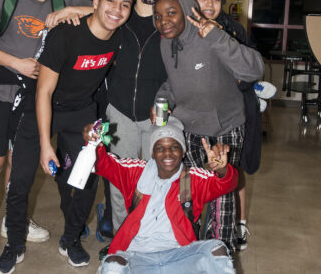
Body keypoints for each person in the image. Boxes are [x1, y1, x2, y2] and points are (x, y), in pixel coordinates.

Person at [0, 0, 92, 270]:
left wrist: (67, 12)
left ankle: (12, 221)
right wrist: (16, 63)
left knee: (20, 162)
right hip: (0, 88)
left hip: (35, 96)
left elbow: (105, 11)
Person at [152, 0, 264, 252]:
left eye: (171, 13)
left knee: (222, 198)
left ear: (187, 10)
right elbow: (175, 80)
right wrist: (162, 97)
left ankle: (220, 255)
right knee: (188, 194)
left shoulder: (212, 35)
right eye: (158, 16)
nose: (163, 21)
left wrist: (216, 37)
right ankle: (187, 249)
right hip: (189, 128)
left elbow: (255, 69)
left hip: (225, 126)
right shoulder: (164, 43)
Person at [36, 0, 134, 267]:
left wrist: (71, 9)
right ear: (95, 3)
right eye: (110, 0)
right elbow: (43, 92)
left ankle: (70, 237)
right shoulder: (65, 34)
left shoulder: (119, 36)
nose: (117, 9)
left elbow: (118, 15)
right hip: (44, 107)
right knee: (23, 174)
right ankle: (14, 237)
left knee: (86, 178)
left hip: (81, 112)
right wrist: (44, 143)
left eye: (124, 4)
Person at [82, 117, 237, 274]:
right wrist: (94, 144)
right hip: (136, 257)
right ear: (152, 153)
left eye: (174, 147)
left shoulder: (192, 179)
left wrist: (222, 170)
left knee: (216, 250)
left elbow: (225, 184)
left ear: (183, 151)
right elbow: (104, 165)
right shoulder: (135, 173)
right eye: (160, 148)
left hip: (179, 256)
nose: (167, 153)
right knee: (112, 264)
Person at [189, 0, 275, 250]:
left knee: (231, 174)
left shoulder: (233, 29)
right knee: (197, 178)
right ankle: (193, 233)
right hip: (196, 117)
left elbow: (249, 70)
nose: (210, 4)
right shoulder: (183, 27)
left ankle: (234, 228)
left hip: (232, 115)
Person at [102, 0, 167, 237]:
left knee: (157, 179)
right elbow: (93, 12)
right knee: (120, 180)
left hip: (156, 114)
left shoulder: (168, 19)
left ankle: (151, 236)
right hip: (120, 111)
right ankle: (122, 237)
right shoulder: (120, 18)